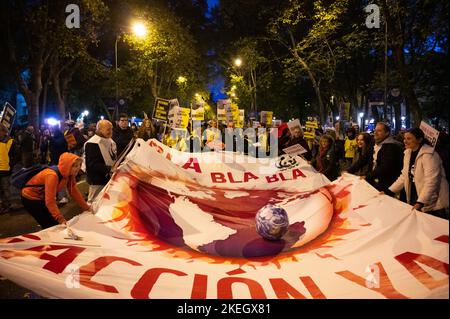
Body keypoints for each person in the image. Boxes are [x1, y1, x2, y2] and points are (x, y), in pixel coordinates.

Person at [387, 128, 449, 218]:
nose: (405, 141)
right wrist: (390, 191)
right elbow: (404, 176)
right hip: (416, 196)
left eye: (409, 138)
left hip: (433, 203)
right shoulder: (408, 153)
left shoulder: (429, 155)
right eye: (404, 138)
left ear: (419, 140)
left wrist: (420, 202)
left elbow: (431, 181)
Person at [21, 152, 90, 229]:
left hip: (41, 197)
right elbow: (50, 201)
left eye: (79, 165)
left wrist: (87, 208)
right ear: (67, 166)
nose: (78, 168)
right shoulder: (52, 176)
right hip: (30, 198)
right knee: (51, 225)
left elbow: (74, 192)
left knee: (54, 224)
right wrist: (61, 219)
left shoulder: (69, 175)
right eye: (75, 166)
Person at [84, 120, 117, 204]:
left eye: (111, 129)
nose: (110, 132)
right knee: (93, 203)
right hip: (97, 180)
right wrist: (110, 169)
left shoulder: (109, 140)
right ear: (100, 129)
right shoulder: (92, 143)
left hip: (108, 177)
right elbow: (93, 164)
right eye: (108, 129)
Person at [366, 122, 404, 192]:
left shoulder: (391, 147)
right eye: (375, 130)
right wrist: (349, 171)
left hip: (386, 184)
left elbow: (385, 166)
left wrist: (368, 176)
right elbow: (363, 159)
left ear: (387, 133)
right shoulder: (375, 144)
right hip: (374, 180)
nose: (375, 133)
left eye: (379, 131)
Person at [0, 123, 16, 214]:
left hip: (6, 169)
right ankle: (2, 205)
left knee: (5, 188)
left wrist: (11, 164)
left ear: (3, 131)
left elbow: (15, 155)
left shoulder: (10, 141)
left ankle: (7, 205)